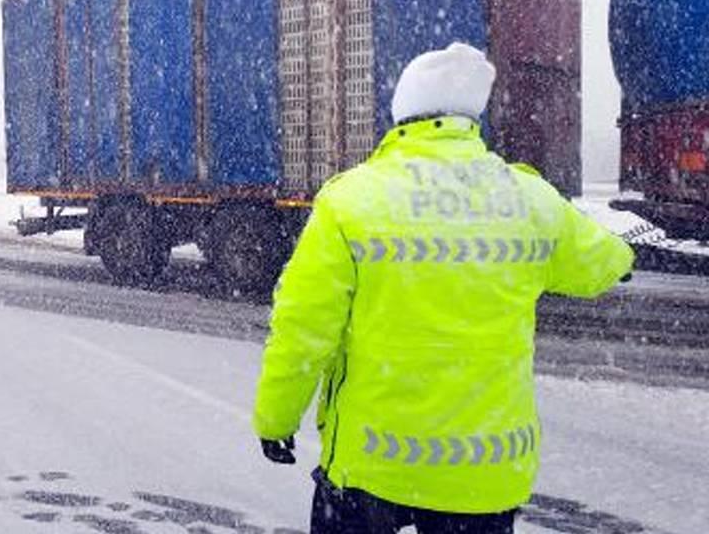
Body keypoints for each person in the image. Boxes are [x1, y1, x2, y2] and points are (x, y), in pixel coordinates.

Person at [252, 43, 634, 533]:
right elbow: (600, 263)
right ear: (471, 115)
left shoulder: (352, 200)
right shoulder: (529, 199)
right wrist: (625, 259)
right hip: (484, 469)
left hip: (371, 463)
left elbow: (302, 331)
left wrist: (276, 420)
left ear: (402, 113)